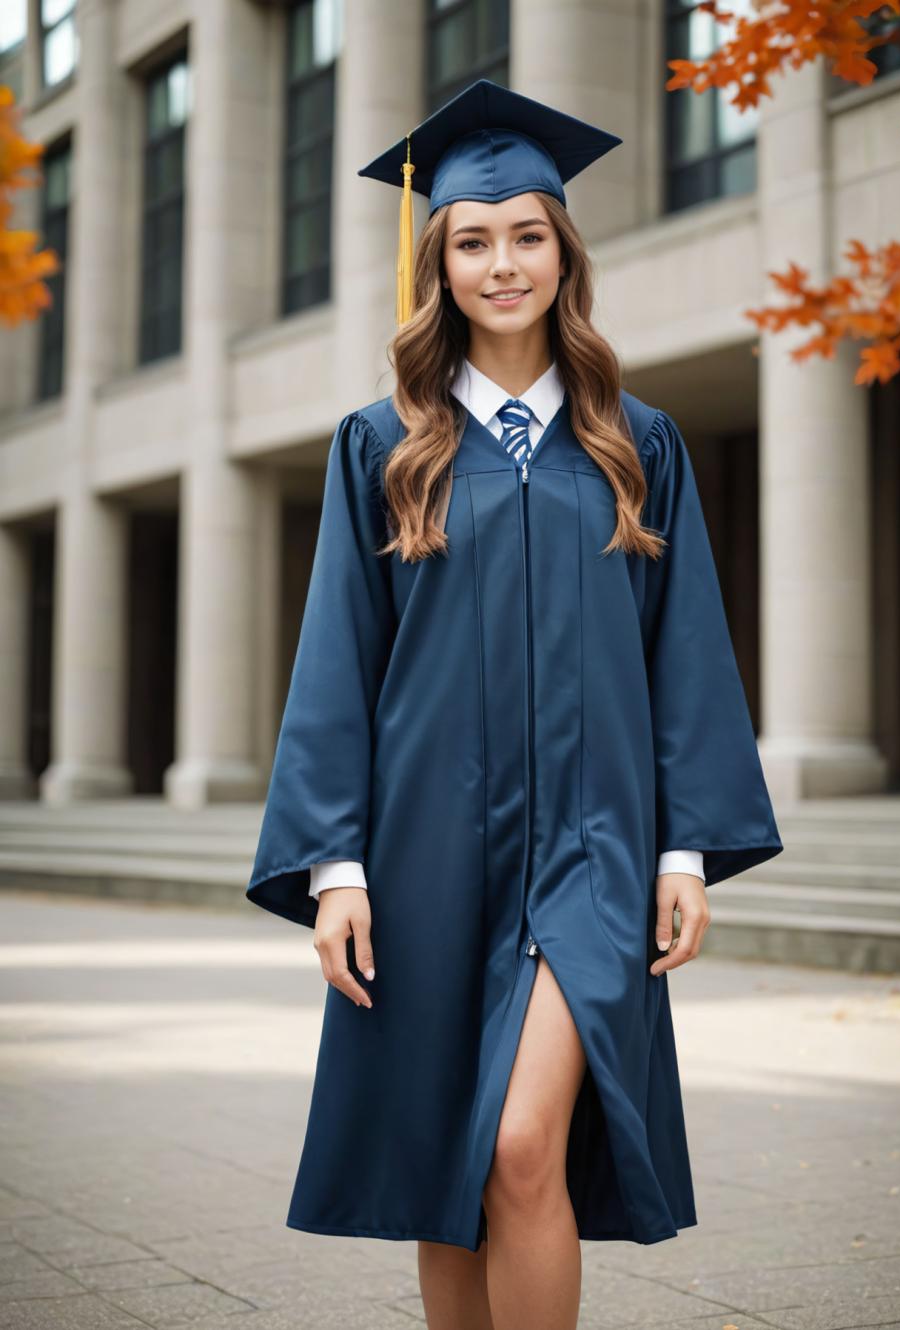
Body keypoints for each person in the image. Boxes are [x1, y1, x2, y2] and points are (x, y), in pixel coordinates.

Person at [247, 78, 783, 1330]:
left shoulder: (633, 442)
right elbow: (338, 657)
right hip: (430, 852)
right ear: (439, 262)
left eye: (527, 235)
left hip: (595, 845)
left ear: (563, 250)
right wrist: (335, 866)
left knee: (525, 1141)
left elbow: (685, 649)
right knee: (458, 1159)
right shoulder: (382, 444)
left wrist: (684, 844)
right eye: (473, 241)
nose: (503, 264)